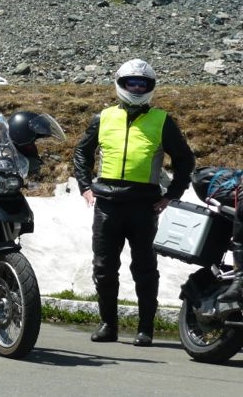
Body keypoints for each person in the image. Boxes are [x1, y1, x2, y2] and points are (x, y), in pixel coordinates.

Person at [73, 59, 195, 347]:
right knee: (103, 267)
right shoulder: (103, 117)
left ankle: (145, 329)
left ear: (150, 87)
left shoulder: (162, 120)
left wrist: (171, 195)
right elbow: (81, 152)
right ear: (121, 83)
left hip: (144, 205)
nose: (137, 88)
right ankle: (108, 325)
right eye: (132, 83)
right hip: (107, 204)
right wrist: (85, 187)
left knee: (144, 268)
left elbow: (184, 159)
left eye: (143, 84)